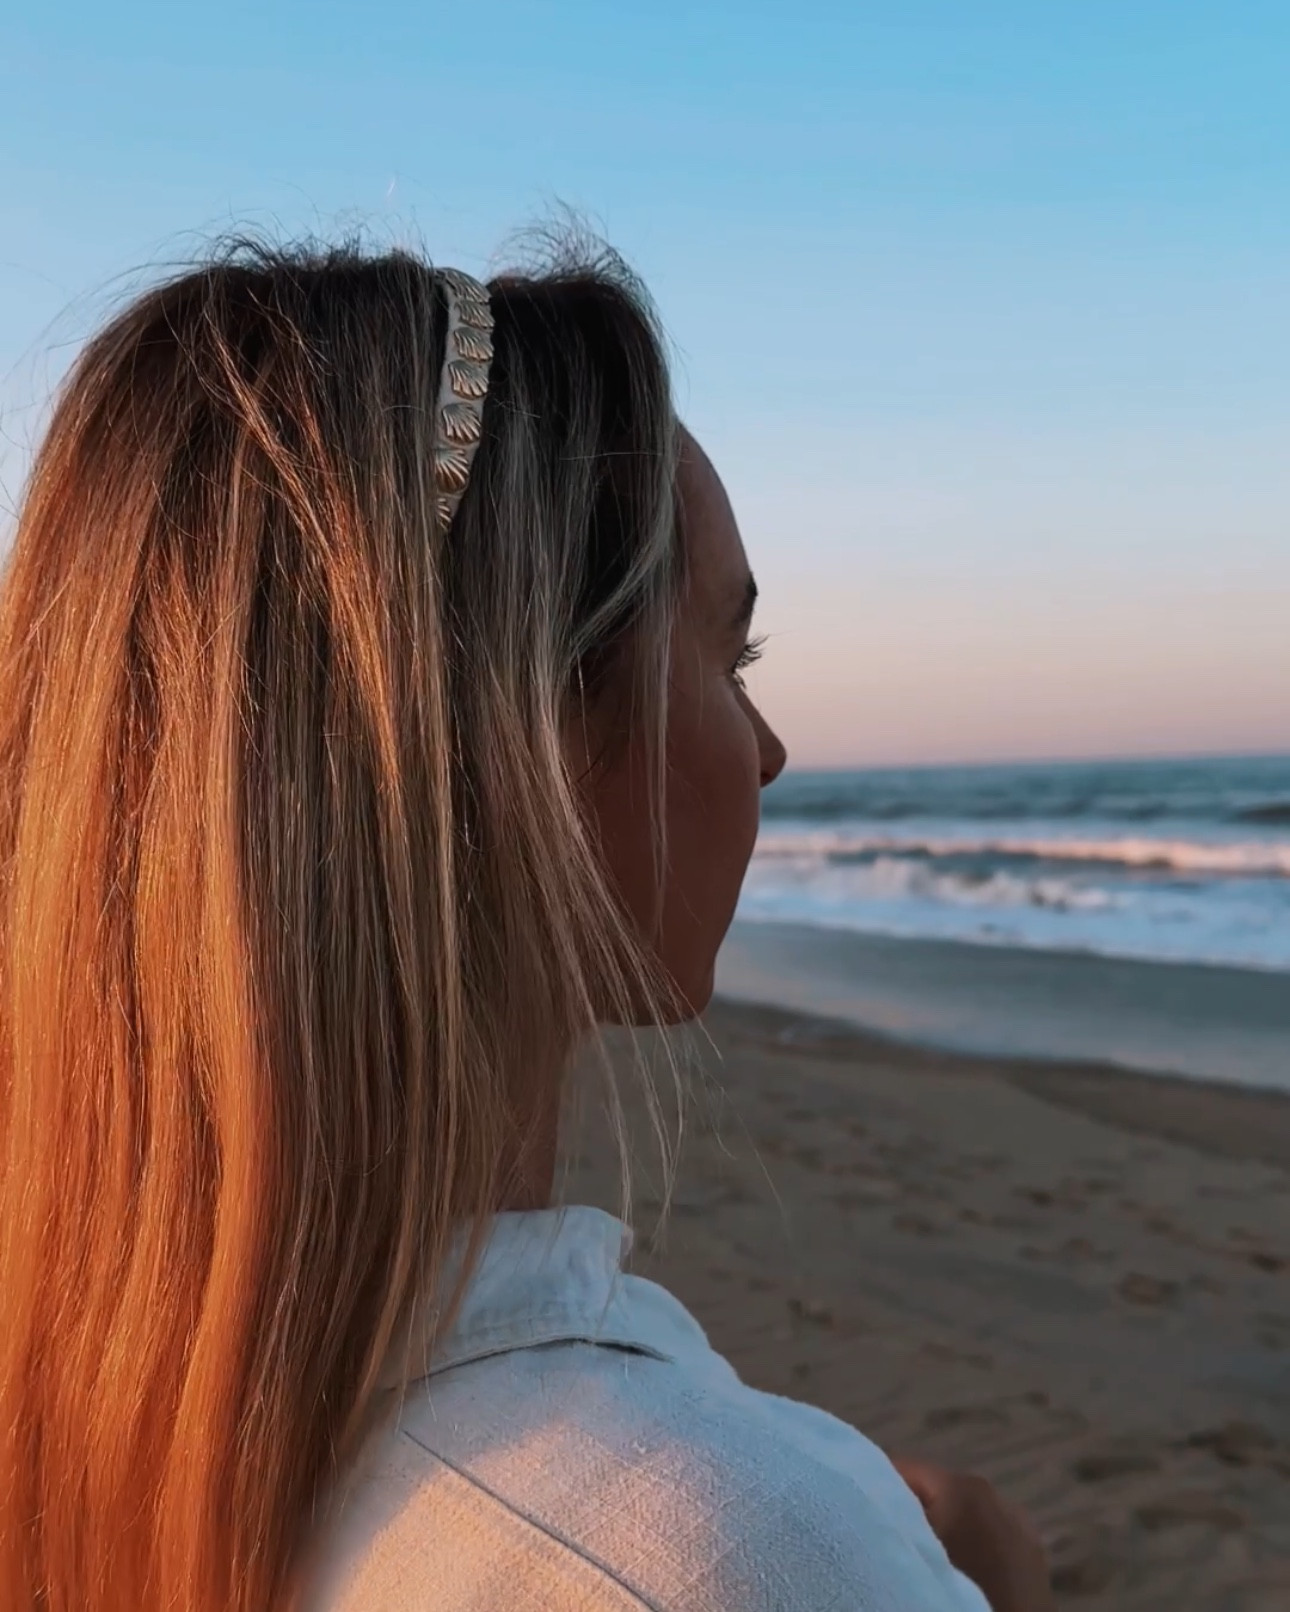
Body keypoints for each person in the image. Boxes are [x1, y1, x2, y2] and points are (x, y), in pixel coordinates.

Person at [0, 239, 1054, 1612]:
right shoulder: (726, 1553)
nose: (769, 748)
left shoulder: (86, 1405)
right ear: (522, 732)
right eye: (729, 658)